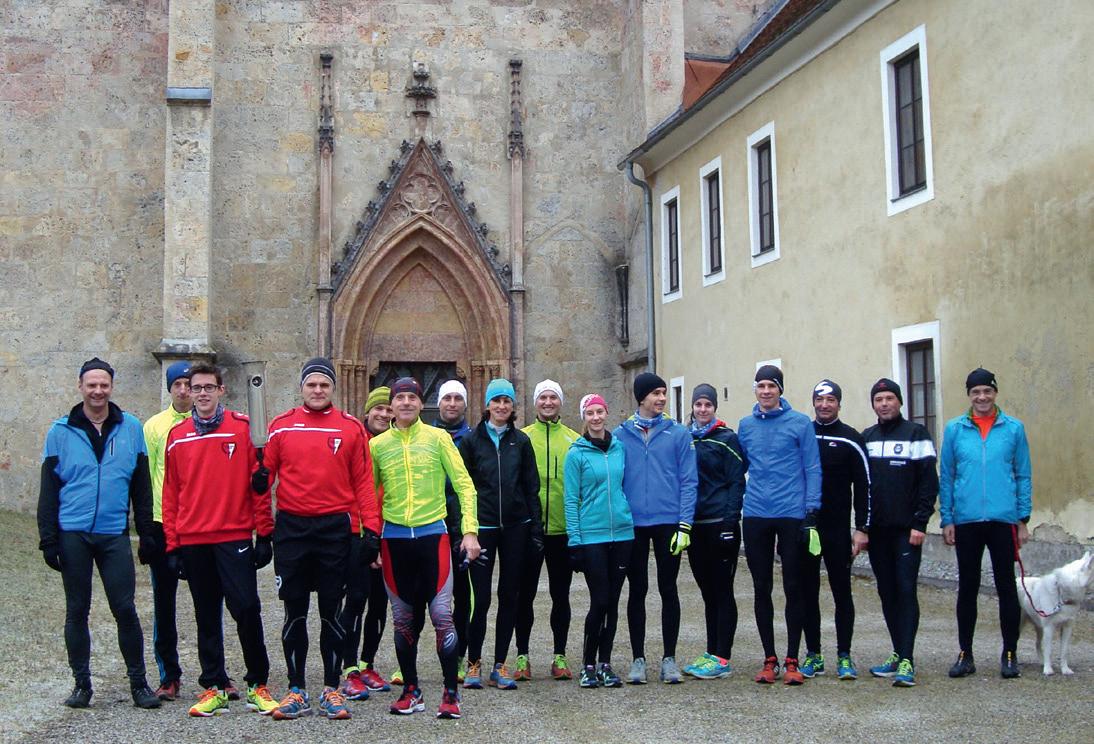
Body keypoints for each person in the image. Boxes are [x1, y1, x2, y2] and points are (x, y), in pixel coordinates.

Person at [257, 357, 382, 720]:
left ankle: (331, 688)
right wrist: (263, 530)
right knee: (295, 611)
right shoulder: (280, 427)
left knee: (331, 612)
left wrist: (371, 531)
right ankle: (296, 689)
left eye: (324, 385)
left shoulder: (351, 428)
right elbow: (262, 482)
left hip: (334, 530)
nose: (317, 390)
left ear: (333, 389)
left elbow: (364, 483)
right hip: (292, 529)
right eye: (311, 384)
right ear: (302, 388)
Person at [37, 357, 161, 709]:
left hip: (112, 534)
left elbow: (141, 486)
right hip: (72, 534)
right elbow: (49, 490)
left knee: (125, 608)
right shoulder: (60, 431)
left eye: (104, 384)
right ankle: (82, 685)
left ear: (111, 387)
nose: (98, 391)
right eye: (91, 384)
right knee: (77, 610)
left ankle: (139, 684)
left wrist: (147, 533)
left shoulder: (131, 428)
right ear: (80, 386)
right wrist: (48, 539)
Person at [161, 363, 278, 717]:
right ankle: (213, 686)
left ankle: (257, 684)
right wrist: (172, 545)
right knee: (206, 614)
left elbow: (259, 485)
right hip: (194, 539)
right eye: (195, 388)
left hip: (234, 535)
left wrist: (264, 533)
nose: (201, 393)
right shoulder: (178, 436)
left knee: (246, 609)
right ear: (188, 392)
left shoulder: (242, 428)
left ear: (221, 390)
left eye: (208, 387)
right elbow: (171, 494)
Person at [369, 376, 481, 718]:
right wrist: (369, 540)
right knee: (403, 620)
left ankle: (450, 693)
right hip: (394, 539)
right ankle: (412, 691)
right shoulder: (378, 446)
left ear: (421, 403)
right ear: (392, 405)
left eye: (412, 398)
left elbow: (465, 486)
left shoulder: (438, 438)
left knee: (442, 617)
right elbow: (369, 496)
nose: (405, 403)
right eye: (399, 398)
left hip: (434, 536)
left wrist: (470, 532)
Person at [940, 368, 1032, 680]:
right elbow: (947, 476)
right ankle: (965, 653)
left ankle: (1010, 653)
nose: (982, 397)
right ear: (969, 395)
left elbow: (1023, 474)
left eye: (987, 391)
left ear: (995, 393)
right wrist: (947, 518)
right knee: (967, 587)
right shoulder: (955, 429)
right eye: (976, 392)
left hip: (1002, 520)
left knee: (1006, 587)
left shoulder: (1013, 429)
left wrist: (1023, 518)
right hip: (966, 520)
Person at [737, 365, 821, 686]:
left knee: (793, 586)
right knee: (762, 587)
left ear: (780, 390)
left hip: (791, 513)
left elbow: (812, 467)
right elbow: (740, 465)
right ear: (755, 389)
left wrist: (811, 510)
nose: (766, 391)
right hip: (756, 513)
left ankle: (792, 659)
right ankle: (769, 658)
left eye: (771, 386)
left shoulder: (800, 423)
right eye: (761, 386)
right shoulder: (746, 425)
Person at [614, 371, 698, 685]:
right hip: (633, 524)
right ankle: (638, 659)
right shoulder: (621, 435)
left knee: (668, 589)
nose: (662, 398)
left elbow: (689, 481)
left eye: (664, 393)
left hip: (668, 522)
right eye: (656, 393)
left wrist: (685, 524)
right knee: (637, 590)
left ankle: (669, 659)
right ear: (641, 398)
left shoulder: (678, 434)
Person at [458, 378, 542, 690]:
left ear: (513, 406)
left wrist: (536, 529)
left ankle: (500, 663)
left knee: (510, 596)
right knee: (479, 599)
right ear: (487, 405)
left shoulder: (521, 441)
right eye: (497, 401)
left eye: (507, 401)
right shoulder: (471, 441)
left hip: (516, 528)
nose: (502, 406)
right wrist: (464, 529)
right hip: (483, 528)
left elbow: (531, 487)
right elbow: (462, 487)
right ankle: (473, 662)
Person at [862, 378, 938, 687]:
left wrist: (920, 523)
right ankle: (897, 652)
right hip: (877, 532)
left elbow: (928, 483)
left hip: (907, 531)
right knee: (887, 591)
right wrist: (862, 527)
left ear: (900, 402)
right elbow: (862, 487)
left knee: (906, 590)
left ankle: (907, 659)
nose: (884, 404)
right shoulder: (867, 437)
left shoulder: (916, 434)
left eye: (889, 398)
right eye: (879, 399)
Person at [799, 379, 871, 680]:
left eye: (830, 400)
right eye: (820, 399)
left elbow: (865, 487)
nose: (824, 405)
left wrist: (862, 528)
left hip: (838, 529)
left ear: (839, 404)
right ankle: (813, 654)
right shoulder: (803, 434)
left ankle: (844, 655)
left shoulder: (851, 439)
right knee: (807, 592)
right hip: (806, 527)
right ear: (813, 402)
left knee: (842, 592)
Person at [565, 394, 635, 689]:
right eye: (590, 413)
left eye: (600, 412)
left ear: (606, 413)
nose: (596, 418)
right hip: (592, 535)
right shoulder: (576, 454)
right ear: (584, 417)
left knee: (614, 602)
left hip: (622, 533)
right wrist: (575, 541)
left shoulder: (619, 448)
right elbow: (571, 499)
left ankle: (605, 663)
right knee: (600, 600)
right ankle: (588, 664)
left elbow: (624, 486)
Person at [516, 379, 581, 681]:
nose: (548, 402)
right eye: (542, 397)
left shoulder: (573, 439)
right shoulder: (523, 438)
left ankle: (559, 655)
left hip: (561, 529)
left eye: (553, 397)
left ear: (560, 402)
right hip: (529, 530)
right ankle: (522, 656)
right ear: (535, 402)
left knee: (561, 595)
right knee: (524, 595)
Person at [682, 384, 746, 680]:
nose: (703, 409)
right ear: (692, 407)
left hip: (720, 524)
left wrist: (730, 524)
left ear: (715, 408)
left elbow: (736, 483)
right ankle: (711, 652)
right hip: (696, 526)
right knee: (707, 593)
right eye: (698, 404)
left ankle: (723, 657)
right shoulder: (686, 439)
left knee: (722, 591)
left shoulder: (727, 438)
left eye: (708, 404)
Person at [340, 386, 396, 698]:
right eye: (379, 408)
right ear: (367, 411)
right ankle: (348, 667)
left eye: (389, 409)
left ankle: (367, 663)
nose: (384, 414)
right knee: (355, 600)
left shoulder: (393, 444)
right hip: (358, 532)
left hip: (387, 533)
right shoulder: (355, 440)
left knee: (379, 602)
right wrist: (367, 535)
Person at [141, 360, 191, 701]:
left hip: (198, 521)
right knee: (164, 602)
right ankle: (168, 674)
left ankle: (215, 674)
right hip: (163, 520)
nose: (184, 391)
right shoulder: (155, 426)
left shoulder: (207, 422)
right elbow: (146, 477)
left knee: (208, 600)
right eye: (178, 385)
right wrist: (146, 527)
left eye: (189, 384)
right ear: (170, 388)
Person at [433, 379, 474, 683]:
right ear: (438, 403)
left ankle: (459, 656)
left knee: (462, 593)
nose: (452, 404)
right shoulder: (427, 435)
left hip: (461, 523)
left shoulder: (473, 438)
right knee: (422, 593)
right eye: (447, 398)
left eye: (457, 398)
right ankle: (407, 661)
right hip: (431, 520)